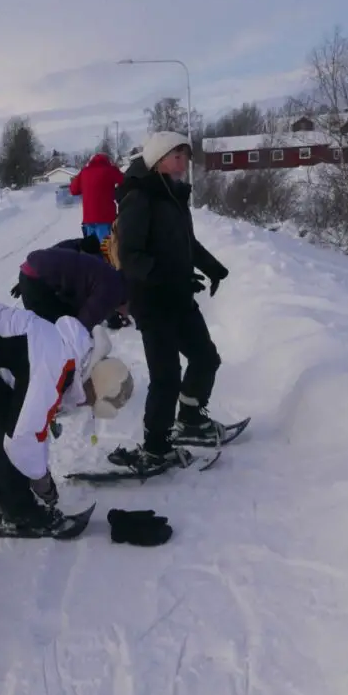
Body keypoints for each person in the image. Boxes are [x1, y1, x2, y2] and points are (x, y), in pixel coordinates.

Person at [0, 304, 133, 536]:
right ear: (93, 383)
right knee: (13, 425)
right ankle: (20, 512)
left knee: (9, 415)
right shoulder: (54, 368)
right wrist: (41, 478)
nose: (86, 405)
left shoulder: (72, 352)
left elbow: (33, 421)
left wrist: (37, 470)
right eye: (92, 400)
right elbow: (25, 435)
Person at [112, 131, 230, 472]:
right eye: (176, 156)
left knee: (206, 358)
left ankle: (190, 418)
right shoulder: (139, 197)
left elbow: (186, 242)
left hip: (178, 295)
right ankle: (155, 446)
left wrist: (213, 268)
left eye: (185, 156)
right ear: (158, 159)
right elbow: (132, 257)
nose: (183, 163)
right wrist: (171, 277)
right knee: (166, 377)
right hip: (152, 300)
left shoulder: (173, 194)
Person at [12, 246, 127, 333]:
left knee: (68, 315)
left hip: (37, 269)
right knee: (53, 328)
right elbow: (84, 322)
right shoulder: (112, 291)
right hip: (37, 280)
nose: (126, 314)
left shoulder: (112, 276)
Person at [69, 152, 125, 241]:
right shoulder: (110, 170)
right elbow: (125, 181)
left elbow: (73, 190)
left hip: (88, 220)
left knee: (91, 250)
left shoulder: (84, 172)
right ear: (107, 161)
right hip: (106, 218)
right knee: (107, 250)